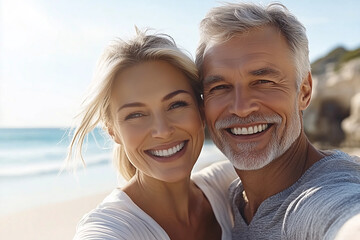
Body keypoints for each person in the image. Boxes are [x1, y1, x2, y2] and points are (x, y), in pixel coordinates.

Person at [196, 2, 360, 240]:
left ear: (304, 91)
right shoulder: (232, 200)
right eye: (220, 87)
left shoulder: (327, 195)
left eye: (264, 82)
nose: (241, 108)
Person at [66, 29, 237, 240]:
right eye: (135, 114)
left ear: (201, 111)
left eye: (176, 104)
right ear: (113, 132)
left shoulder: (227, 184)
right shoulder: (110, 227)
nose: (163, 131)